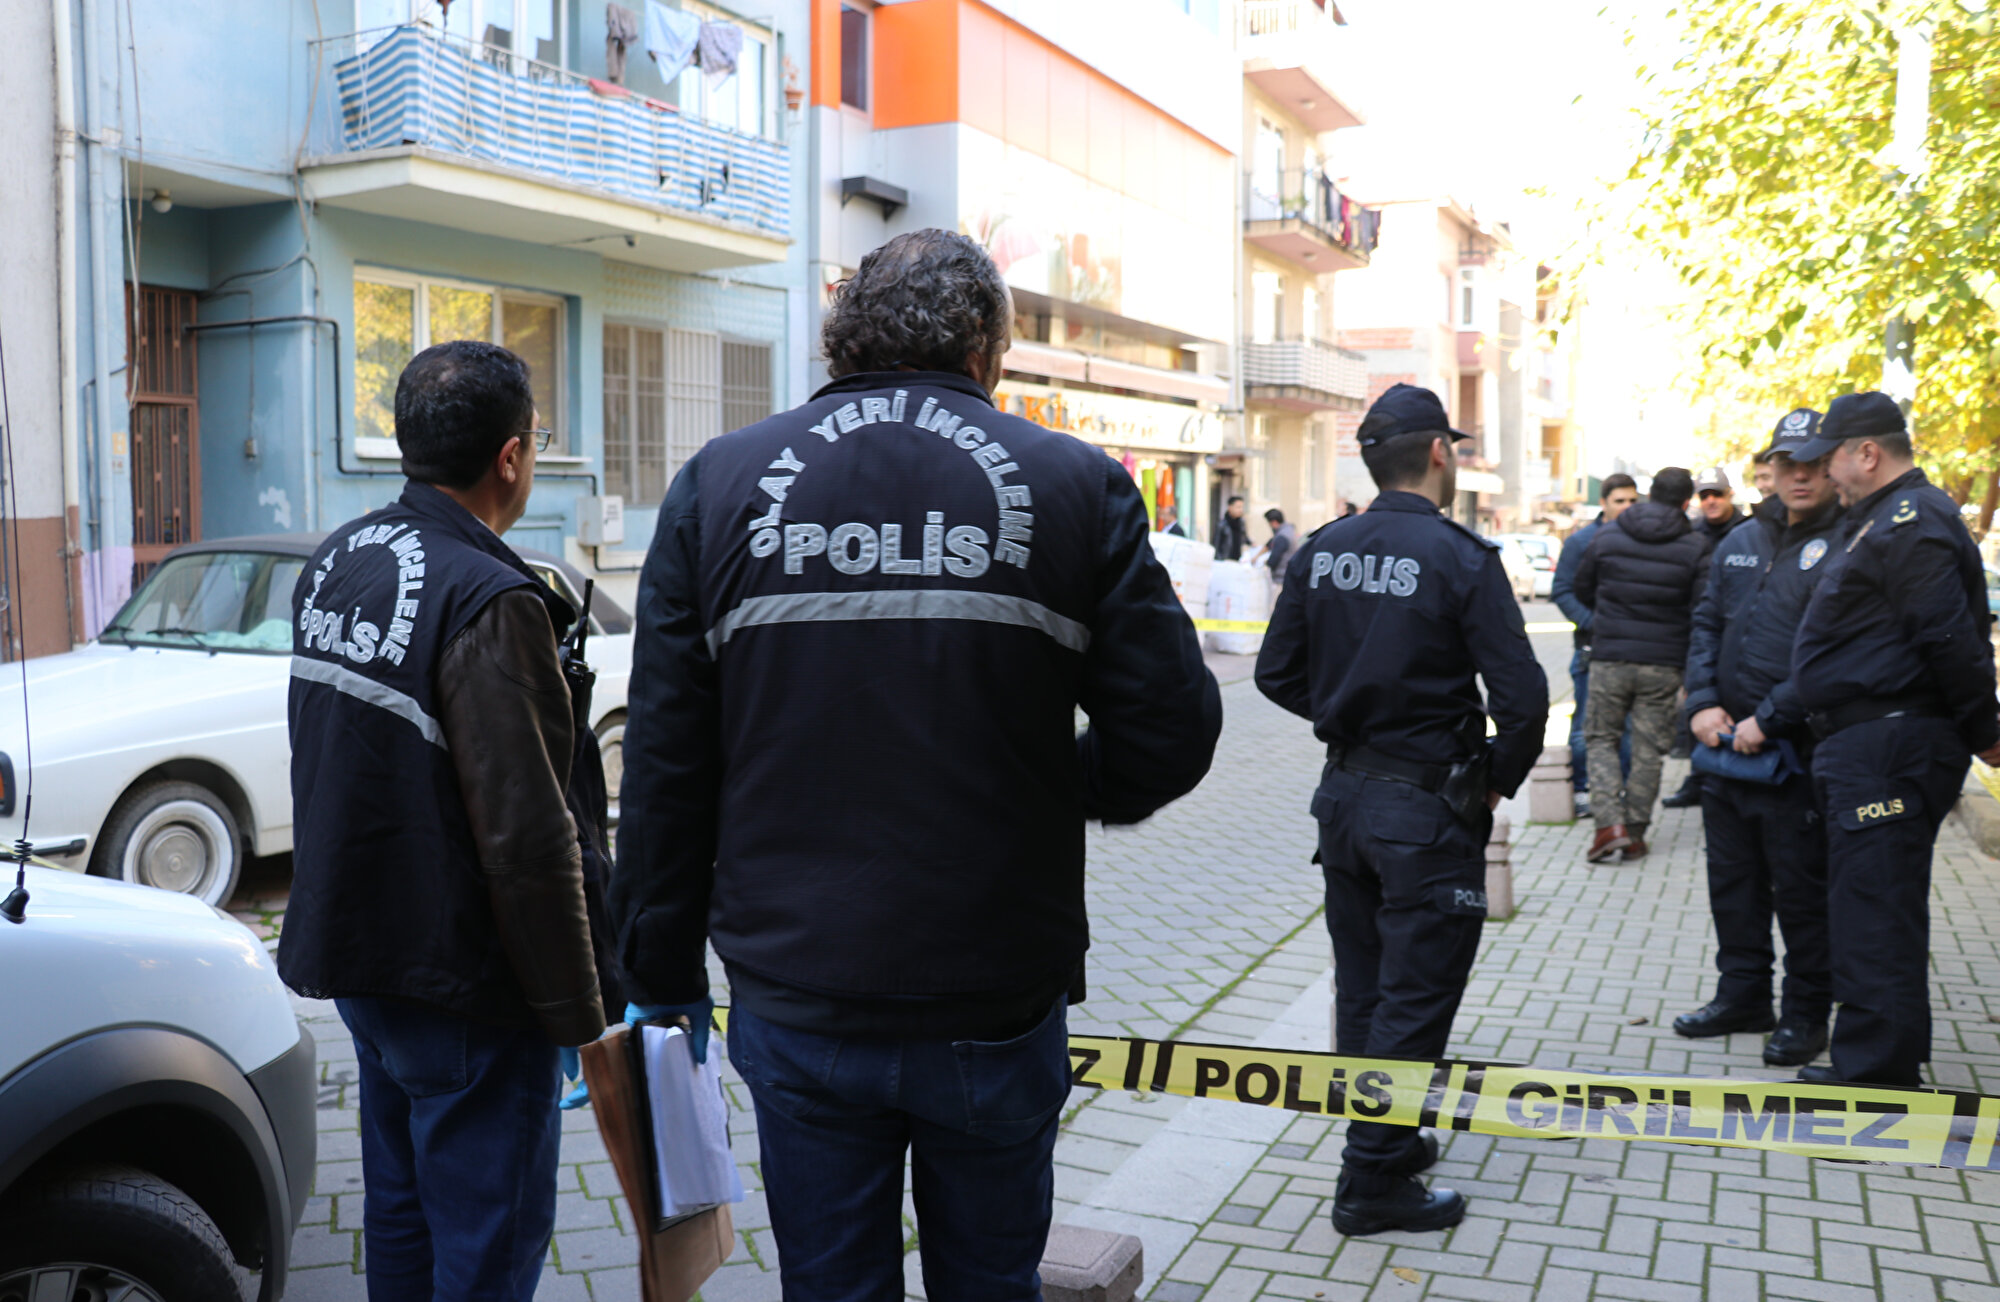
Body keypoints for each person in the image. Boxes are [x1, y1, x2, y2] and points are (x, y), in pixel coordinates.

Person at [607, 228, 1222, 1297]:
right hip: (992, 989)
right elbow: (1171, 728)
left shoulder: (720, 485)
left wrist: (657, 978)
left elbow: (665, 762)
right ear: (985, 348)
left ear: (842, 339)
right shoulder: (1073, 484)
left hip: (796, 992)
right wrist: (1057, 790)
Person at [280, 340, 605, 1302]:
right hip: (463, 990)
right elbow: (528, 840)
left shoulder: (340, 559)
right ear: (511, 456)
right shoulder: (490, 597)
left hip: (360, 959)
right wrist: (577, 1016)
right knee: (486, 1248)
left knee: (401, 1214)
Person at [1255, 382, 1548, 1237]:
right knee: (1415, 998)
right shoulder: (1461, 556)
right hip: (1424, 812)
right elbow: (1524, 700)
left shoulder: (1324, 548)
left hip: (1345, 803)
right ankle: (1371, 1180)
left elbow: (1275, 674)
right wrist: (1493, 779)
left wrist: (1345, 715)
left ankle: (1386, 1134)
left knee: (1365, 991)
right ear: (1439, 453)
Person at [1788, 392, 2000, 1086]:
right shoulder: (1884, 518)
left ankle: (1878, 1077)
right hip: (1870, 742)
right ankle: (1880, 1060)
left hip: (1888, 744)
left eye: (1831, 460)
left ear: (1868, 453)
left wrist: (1987, 733)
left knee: (1875, 908)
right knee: (1867, 902)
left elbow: (1946, 636)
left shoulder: (1910, 519)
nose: (1825, 474)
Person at [1675, 409, 1841, 1066]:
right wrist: (1702, 704)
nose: (1799, 476)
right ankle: (1743, 996)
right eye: (1786, 463)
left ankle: (1806, 1013)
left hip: (1796, 753)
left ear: (1831, 466)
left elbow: (1836, 654)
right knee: (1733, 886)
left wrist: (1768, 719)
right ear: (1769, 468)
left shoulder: (1850, 542)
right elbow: (1706, 624)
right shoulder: (1740, 539)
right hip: (1724, 752)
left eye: (1812, 464)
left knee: (1801, 895)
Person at [1574, 467, 1712, 863]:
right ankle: (1634, 832)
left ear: (1650, 493)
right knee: (1649, 750)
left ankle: (1608, 826)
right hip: (1663, 663)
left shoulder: (1608, 535)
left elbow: (1582, 587)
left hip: (1610, 657)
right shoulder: (1695, 545)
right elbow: (1701, 607)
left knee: (1601, 738)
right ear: (1687, 501)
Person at [1551, 474, 1638, 817]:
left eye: (1632, 501)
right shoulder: (1582, 541)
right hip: (1592, 649)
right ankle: (1583, 789)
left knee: (1627, 728)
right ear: (1603, 503)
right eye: (1620, 501)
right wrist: (1593, 623)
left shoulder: (1642, 538)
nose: (1627, 507)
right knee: (1586, 726)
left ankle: (1620, 792)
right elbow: (1562, 590)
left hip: (1632, 650)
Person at [1693, 466, 1746, 541]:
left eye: (1717, 494)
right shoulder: (1692, 531)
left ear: (1730, 494)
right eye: (1704, 496)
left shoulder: (1748, 528)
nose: (1710, 501)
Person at [1263, 508, 1299, 585]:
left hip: (1281, 577)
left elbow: (1273, 559)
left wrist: (1266, 563)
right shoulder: (1289, 530)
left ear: (1274, 522)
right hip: (1288, 575)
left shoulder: (1282, 536)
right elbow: (1269, 543)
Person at [1214, 494, 1250, 559]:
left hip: (1238, 560)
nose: (1241, 510)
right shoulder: (1221, 525)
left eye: (1242, 507)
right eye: (1238, 507)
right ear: (1230, 507)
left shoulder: (1241, 522)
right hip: (1225, 560)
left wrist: (1251, 543)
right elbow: (1216, 545)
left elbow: (1244, 538)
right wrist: (1220, 560)